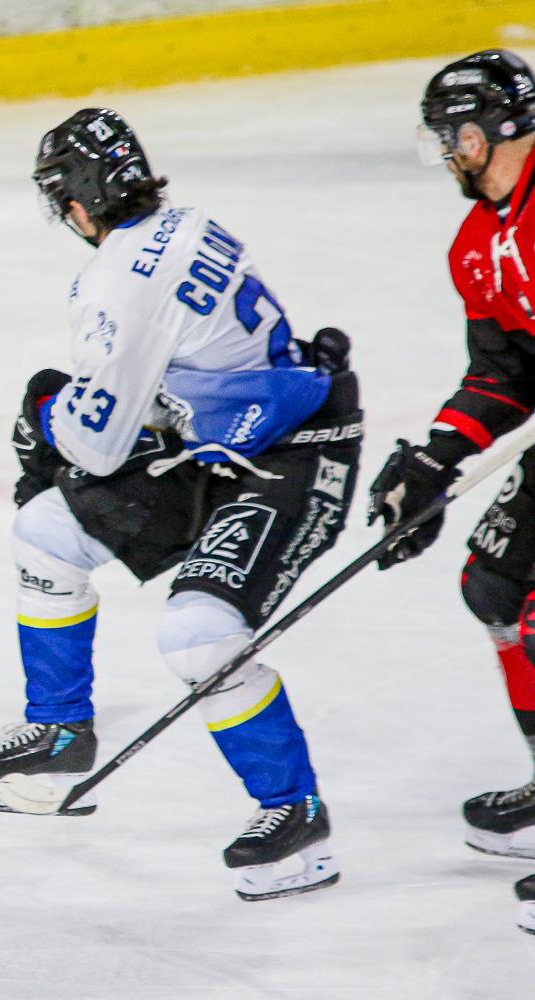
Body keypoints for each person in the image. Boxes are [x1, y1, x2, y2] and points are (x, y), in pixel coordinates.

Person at [0, 108, 362, 901]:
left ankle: (295, 814)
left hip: (292, 455)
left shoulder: (116, 280)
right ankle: (62, 732)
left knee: (198, 633)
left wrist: (45, 419)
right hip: (223, 437)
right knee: (47, 534)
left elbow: (99, 444)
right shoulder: (184, 222)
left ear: (74, 203)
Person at [367, 49, 535, 865]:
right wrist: (432, 463)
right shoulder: (475, 244)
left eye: (457, 136)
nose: (448, 154)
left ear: (503, 129)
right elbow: (504, 373)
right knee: (494, 585)